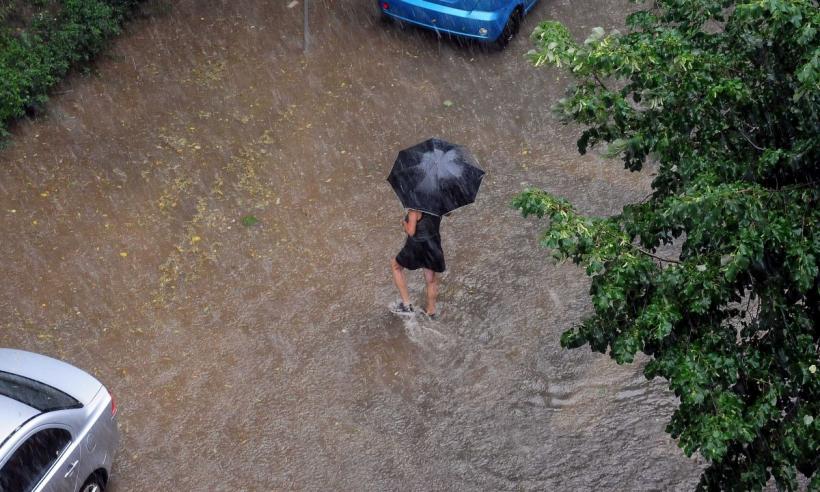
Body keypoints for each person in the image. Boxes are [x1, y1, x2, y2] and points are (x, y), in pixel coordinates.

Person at [390, 209, 445, 319]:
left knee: (396, 266)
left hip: (417, 246)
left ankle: (406, 306)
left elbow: (411, 231)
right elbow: (448, 213)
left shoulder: (414, 208)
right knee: (431, 279)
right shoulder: (438, 203)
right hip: (433, 244)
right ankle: (431, 311)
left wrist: (404, 223)